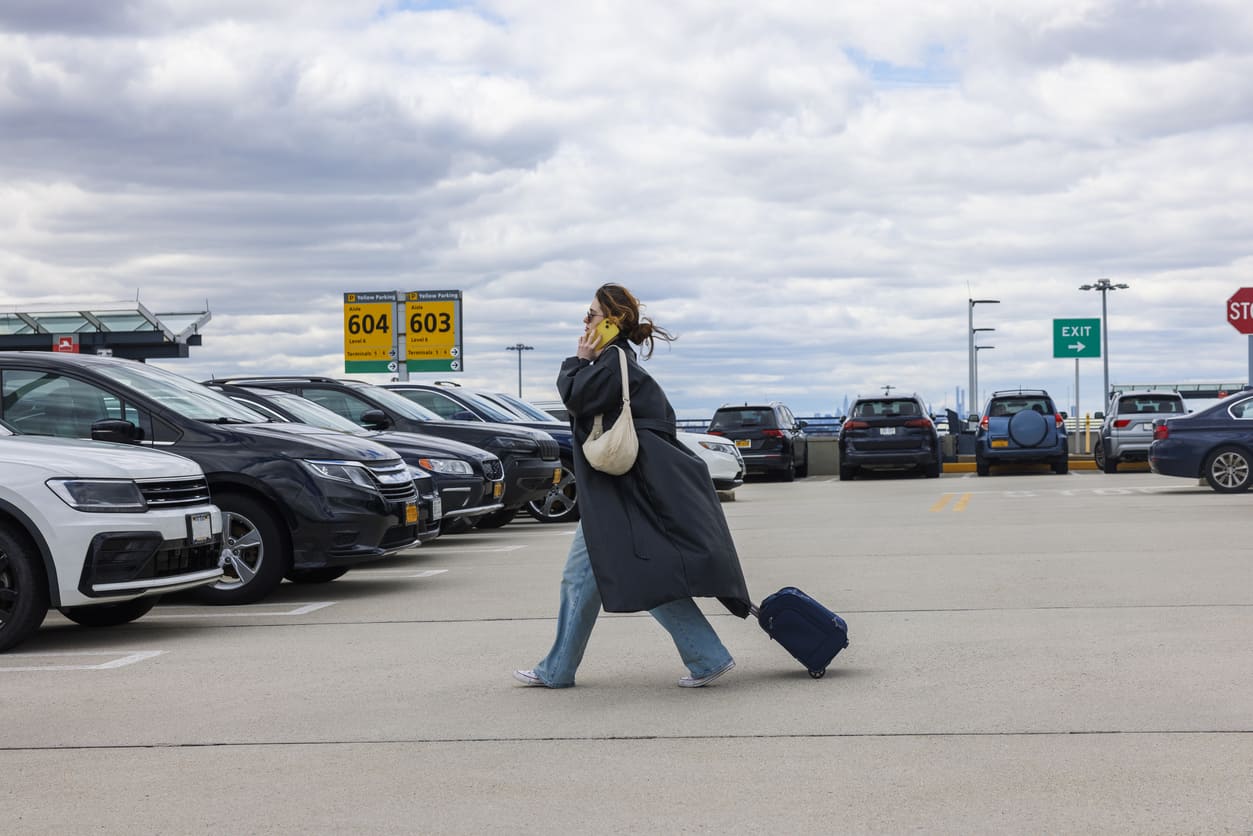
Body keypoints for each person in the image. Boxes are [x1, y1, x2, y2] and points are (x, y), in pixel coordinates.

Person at [513, 283, 752, 689]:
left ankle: (706, 656)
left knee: (637, 575)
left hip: (620, 495)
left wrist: (577, 360)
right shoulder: (619, 365)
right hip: (616, 493)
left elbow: (574, 398)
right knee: (587, 577)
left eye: (590, 315)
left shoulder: (610, 365)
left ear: (612, 321)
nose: (583, 322)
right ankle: (559, 668)